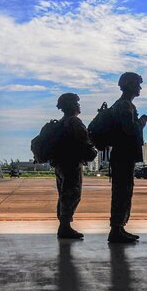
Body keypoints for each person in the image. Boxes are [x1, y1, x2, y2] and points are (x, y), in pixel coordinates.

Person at [108, 72, 147, 243]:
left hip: (122, 154)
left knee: (123, 191)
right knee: (122, 192)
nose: (139, 87)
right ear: (130, 85)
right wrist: (142, 122)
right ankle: (117, 229)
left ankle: (119, 227)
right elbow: (130, 131)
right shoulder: (125, 106)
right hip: (123, 154)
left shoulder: (123, 105)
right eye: (137, 84)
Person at [53, 93, 97, 239]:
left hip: (60, 164)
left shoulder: (61, 122)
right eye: (76, 103)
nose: (79, 106)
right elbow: (86, 140)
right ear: (71, 105)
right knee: (72, 194)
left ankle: (63, 225)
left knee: (63, 193)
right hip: (71, 164)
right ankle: (65, 226)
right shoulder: (74, 122)